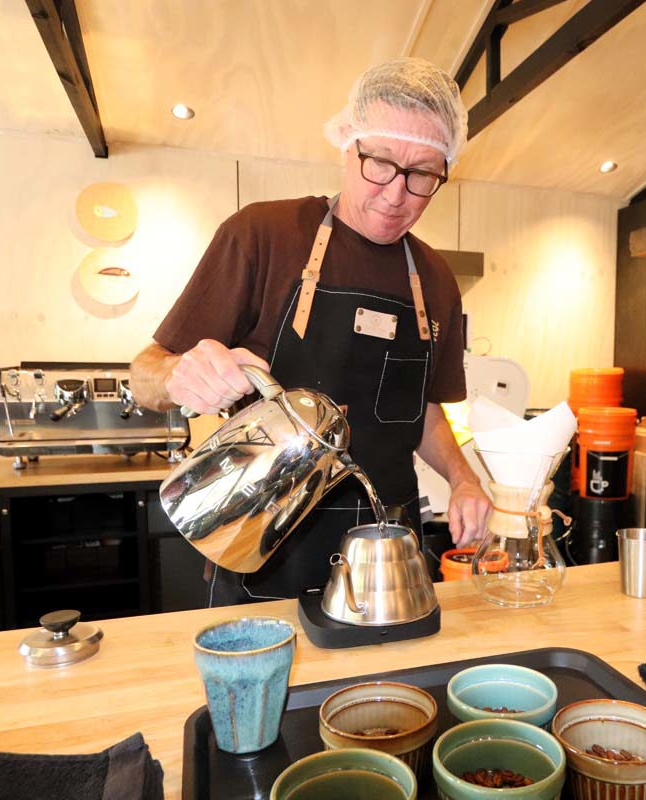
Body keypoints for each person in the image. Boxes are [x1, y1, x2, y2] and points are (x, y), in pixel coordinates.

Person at [130, 57, 492, 606]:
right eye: (381, 164)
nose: (398, 194)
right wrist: (179, 374)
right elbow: (143, 375)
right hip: (263, 546)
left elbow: (424, 414)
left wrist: (465, 479)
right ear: (347, 145)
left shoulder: (436, 279)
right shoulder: (263, 235)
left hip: (386, 562)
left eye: (423, 175)